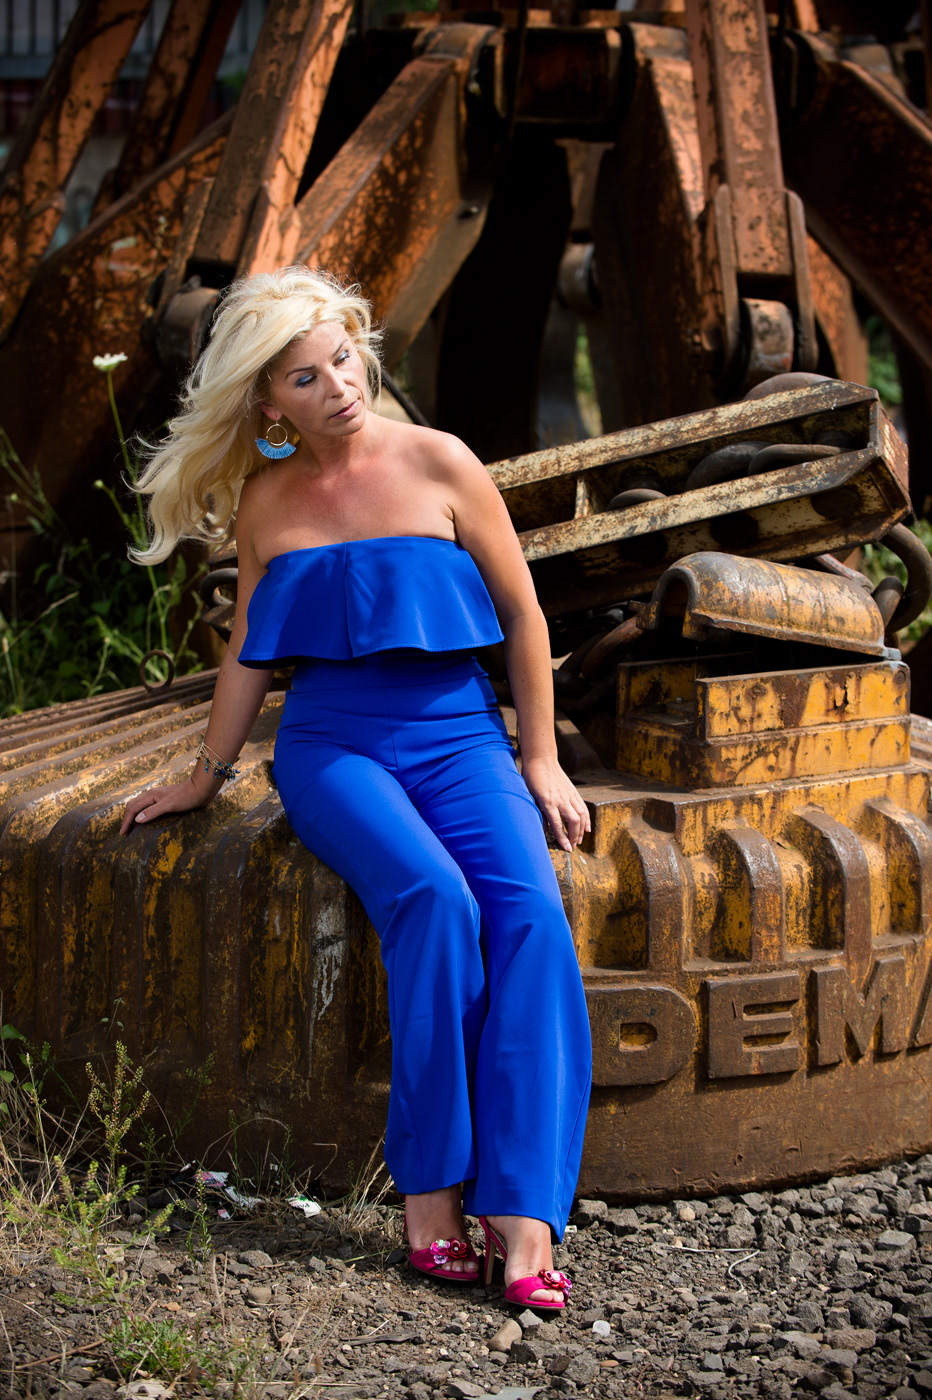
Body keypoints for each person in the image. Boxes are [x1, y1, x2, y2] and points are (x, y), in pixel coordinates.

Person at [119, 266, 593, 1309]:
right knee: (433, 899)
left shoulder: (440, 460)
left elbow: (523, 614)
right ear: (266, 401)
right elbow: (249, 651)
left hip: (459, 732)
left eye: (342, 358)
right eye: (304, 376)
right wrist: (205, 775)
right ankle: (430, 1196)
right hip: (332, 745)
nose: (337, 385)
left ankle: (523, 1211)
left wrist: (539, 755)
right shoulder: (265, 500)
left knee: (528, 912)